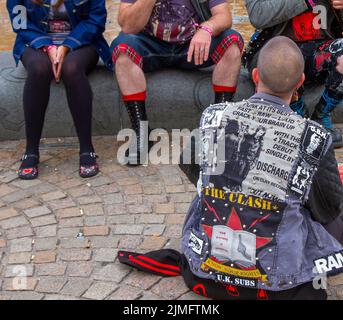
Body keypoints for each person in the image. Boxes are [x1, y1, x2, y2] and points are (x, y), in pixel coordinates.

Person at [118, 37, 343, 300]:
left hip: (206, 273)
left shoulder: (215, 116)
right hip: (281, 284)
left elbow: (189, 161)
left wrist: (224, 186)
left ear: (255, 75)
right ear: (301, 82)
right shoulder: (313, 137)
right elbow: (328, 208)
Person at [111, 0, 244, 165]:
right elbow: (128, 27)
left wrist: (206, 28)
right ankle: (141, 132)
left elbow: (224, 16)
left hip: (193, 47)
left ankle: (216, 130)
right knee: (122, 48)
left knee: (232, 42)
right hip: (150, 46)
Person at [7, 0, 112, 179]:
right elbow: (21, 23)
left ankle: (87, 148)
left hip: (83, 42)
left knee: (71, 69)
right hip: (34, 42)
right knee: (40, 69)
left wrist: (66, 46)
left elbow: (96, 20)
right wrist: (47, 46)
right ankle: (31, 150)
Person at [243, 0, 343, 148]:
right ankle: (296, 118)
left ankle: (321, 116)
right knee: (287, 59)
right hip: (275, 51)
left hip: (320, 51)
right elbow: (258, 15)